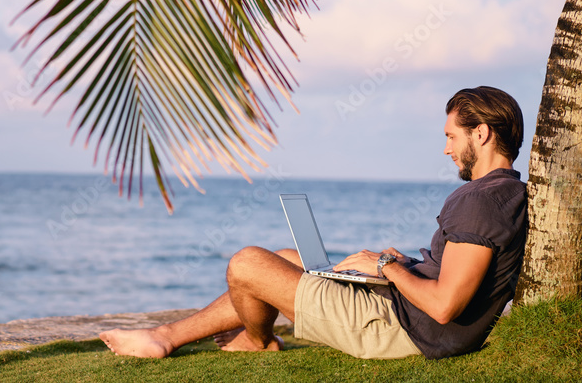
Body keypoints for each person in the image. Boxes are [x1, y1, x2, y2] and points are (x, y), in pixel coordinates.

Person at [100, 86, 528, 360]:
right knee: (285, 258)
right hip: (406, 316)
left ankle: (187, 339)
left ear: (482, 133)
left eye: (452, 136)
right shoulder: (500, 193)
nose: (447, 149)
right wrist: (405, 263)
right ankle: (240, 337)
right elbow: (457, 271)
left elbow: (444, 306)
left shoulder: (481, 201)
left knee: (247, 263)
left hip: (400, 330)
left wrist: (387, 269)